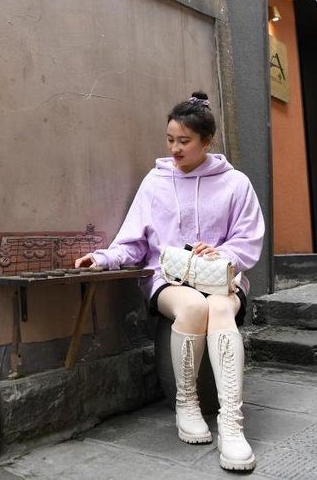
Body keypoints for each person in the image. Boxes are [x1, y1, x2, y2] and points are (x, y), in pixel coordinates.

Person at [75, 91, 264, 472]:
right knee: (192, 305)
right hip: (170, 280)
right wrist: (102, 258)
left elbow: (249, 238)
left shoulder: (236, 183)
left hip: (221, 279)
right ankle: (187, 403)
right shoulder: (155, 182)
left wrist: (223, 253)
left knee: (218, 306)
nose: (175, 149)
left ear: (206, 141)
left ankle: (231, 422)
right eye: (170, 139)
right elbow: (133, 241)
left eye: (185, 141)